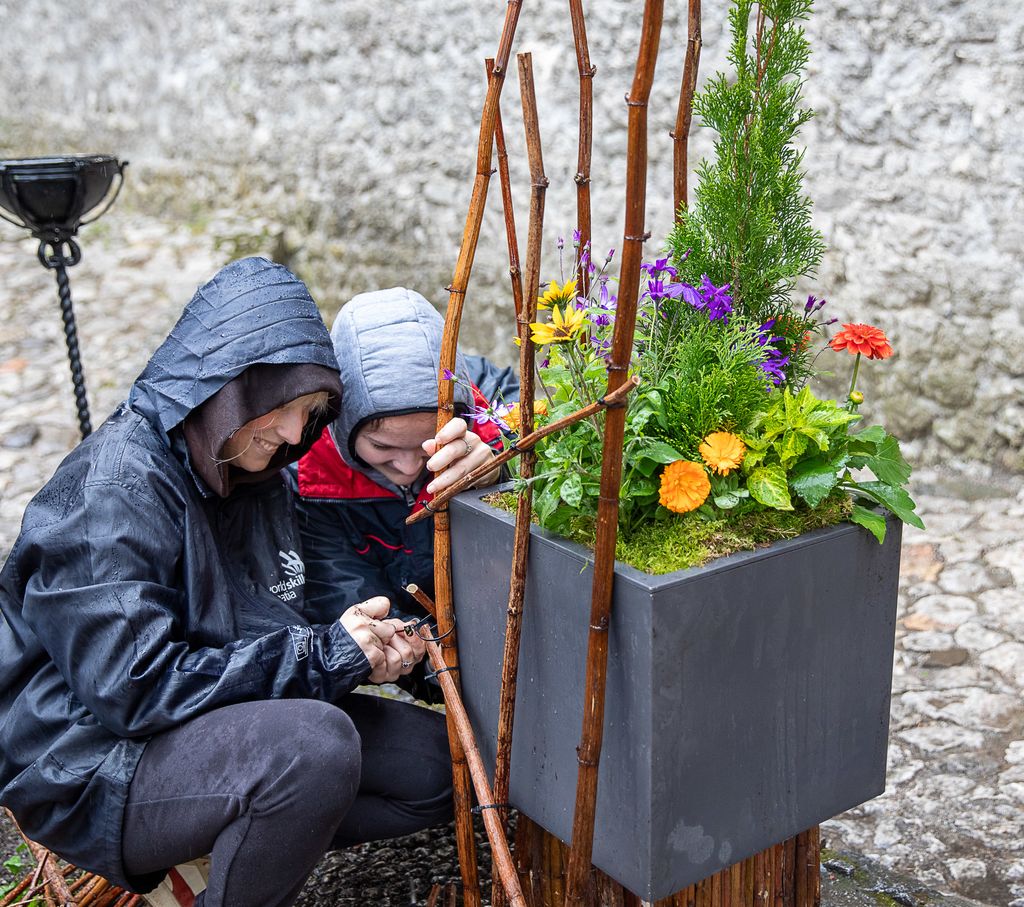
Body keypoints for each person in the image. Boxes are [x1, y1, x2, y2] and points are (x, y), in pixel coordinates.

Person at [0, 258, 464, 906]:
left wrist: (391, 650)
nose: (294, 433)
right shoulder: (109, 493)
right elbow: (135, 690)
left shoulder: (255, 471)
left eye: (309, 412)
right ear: (228, 385)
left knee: (442, 769)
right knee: (316, 747)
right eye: (282, 408)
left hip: (211, 720)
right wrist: (323, 657)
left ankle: (231, 838)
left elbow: (302, 604)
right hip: (93, 760)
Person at [293, 287, 519, 625]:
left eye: (430, 441)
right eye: (382, 447)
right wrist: (394, 637)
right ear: (342, 425)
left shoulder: (506, 408)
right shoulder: (309, 472)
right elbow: (338, 586)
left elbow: (562, 491)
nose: (411, 466)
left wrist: (500, 472)